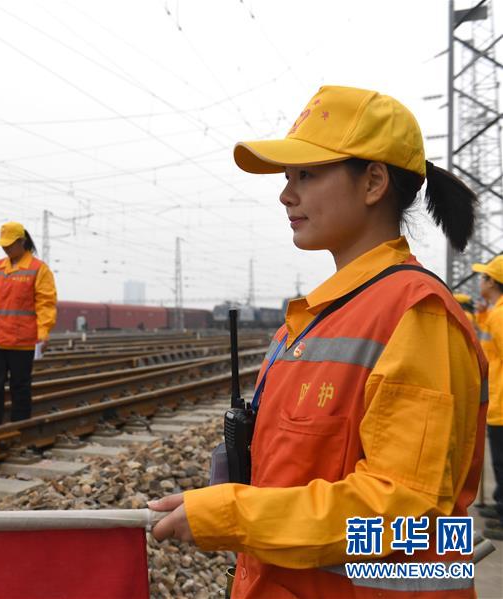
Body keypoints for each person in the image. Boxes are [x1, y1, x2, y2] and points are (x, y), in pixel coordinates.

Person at [149, 86, 488, 598]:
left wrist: (234, 515)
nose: (287, 194)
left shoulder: (416, 316)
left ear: (374, 181)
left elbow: (400, 512)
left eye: (306, 175)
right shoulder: (311, 320)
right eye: (288, 178)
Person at [0, 221, 57, 425]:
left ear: (22, 242)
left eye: (9, 244)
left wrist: (43, 333)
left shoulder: (39, 269)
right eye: (3, 245)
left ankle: (21, 426)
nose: (5, 248)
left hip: (22, 339)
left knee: (20, 386)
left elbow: (45, 304)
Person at [473, 256, 503, 540]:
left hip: (502, 403)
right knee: (499, 461)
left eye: (483, 278)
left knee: (502, 461)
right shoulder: (493, 313)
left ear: (493, 282)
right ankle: (500, 504)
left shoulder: (500, 315)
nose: (479, 282)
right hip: (497, 400)